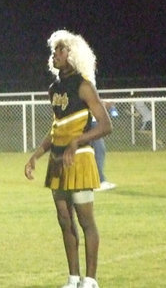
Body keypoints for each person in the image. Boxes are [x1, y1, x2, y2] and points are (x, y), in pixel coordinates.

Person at [24, 30, 112, 288]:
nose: (55, 54)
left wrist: (77, 141)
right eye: (55, 50)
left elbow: (106, 126)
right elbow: (56, 128)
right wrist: (36, 155)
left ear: (73, 55)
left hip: (80, 160)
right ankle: (73, 278)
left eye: (61, 50)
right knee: (64, 219)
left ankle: (91, 279)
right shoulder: (54, 89)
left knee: (86, 221)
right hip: (56, 160)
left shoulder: (84, 85)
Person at [93, 101, 116, 191]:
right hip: (91, 122)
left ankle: (97, 181)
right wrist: (104, 104)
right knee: (98, 151)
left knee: (96, 151)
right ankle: (99, 182)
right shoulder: (86, 87)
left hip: (91, 121)